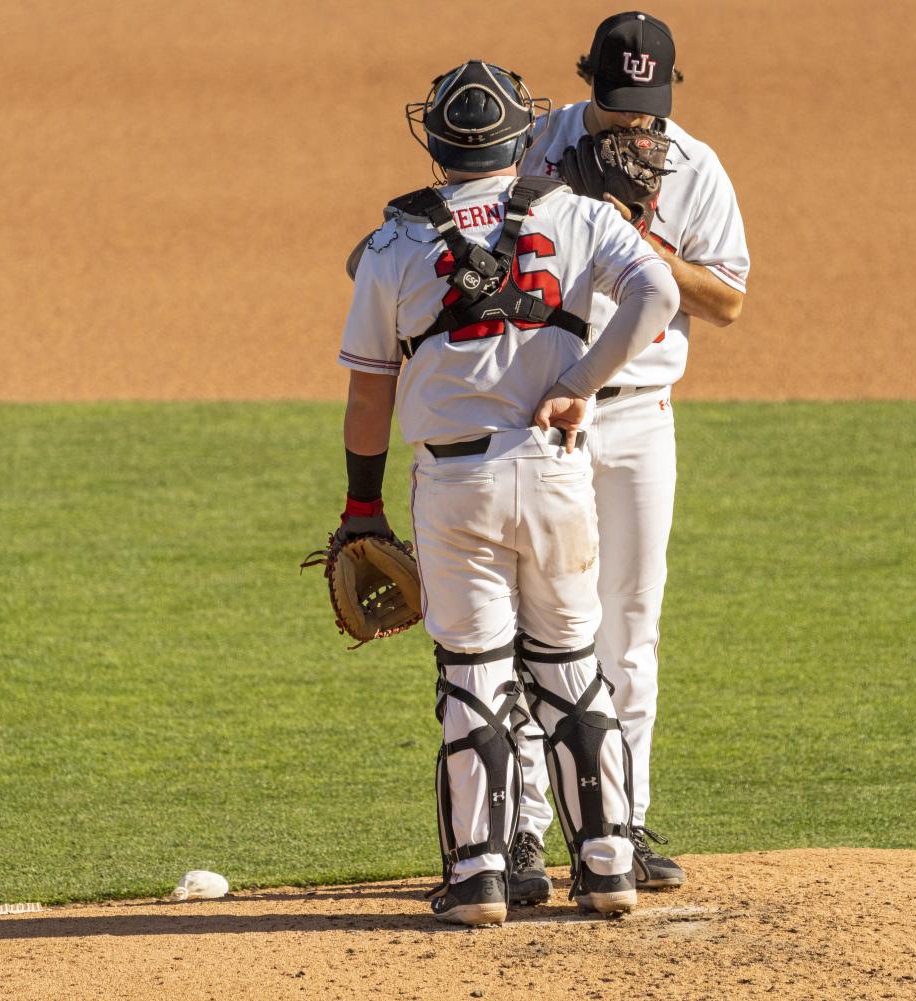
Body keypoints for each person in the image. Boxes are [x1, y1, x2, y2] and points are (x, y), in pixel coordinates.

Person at [336, 59, 680, 926]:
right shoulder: (576, 215)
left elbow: (370, 390)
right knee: (571, 665)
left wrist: (360, 508)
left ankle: (481, 874)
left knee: (474, 674)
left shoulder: (390, 246)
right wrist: (583, 384)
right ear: (521, 135)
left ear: (438, 138)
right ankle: (606, 864)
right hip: (557, 469)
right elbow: (659, 292)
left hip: (455, 485)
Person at [508, 11, 751, 903]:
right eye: (616, 106)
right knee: (544, 625)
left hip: (641, 415)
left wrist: (641, 246)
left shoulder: (695, 165)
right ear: (589, 84)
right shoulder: (539, 144)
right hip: (547, 416)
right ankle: (523, 831)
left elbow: (725, 300)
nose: (631, 124)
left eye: (645, 107)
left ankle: (621, 819)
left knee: (629, 627)